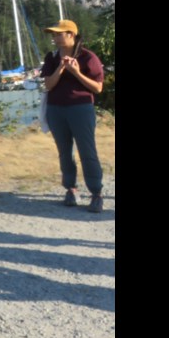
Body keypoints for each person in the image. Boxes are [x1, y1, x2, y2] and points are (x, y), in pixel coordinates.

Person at [40, 19, 105, 212]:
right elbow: (49, 85)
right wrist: (60, 68)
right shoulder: (52, 57)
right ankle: (71, 188)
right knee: (64, 152)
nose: (55, 37)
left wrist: (76, 72)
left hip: (81, 108)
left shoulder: (87, 57)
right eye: (54, 34)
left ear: (71, 34)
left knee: (87, 151)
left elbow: (98, 88)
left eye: (59, 33)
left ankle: (96, 193)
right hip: (56, 109)